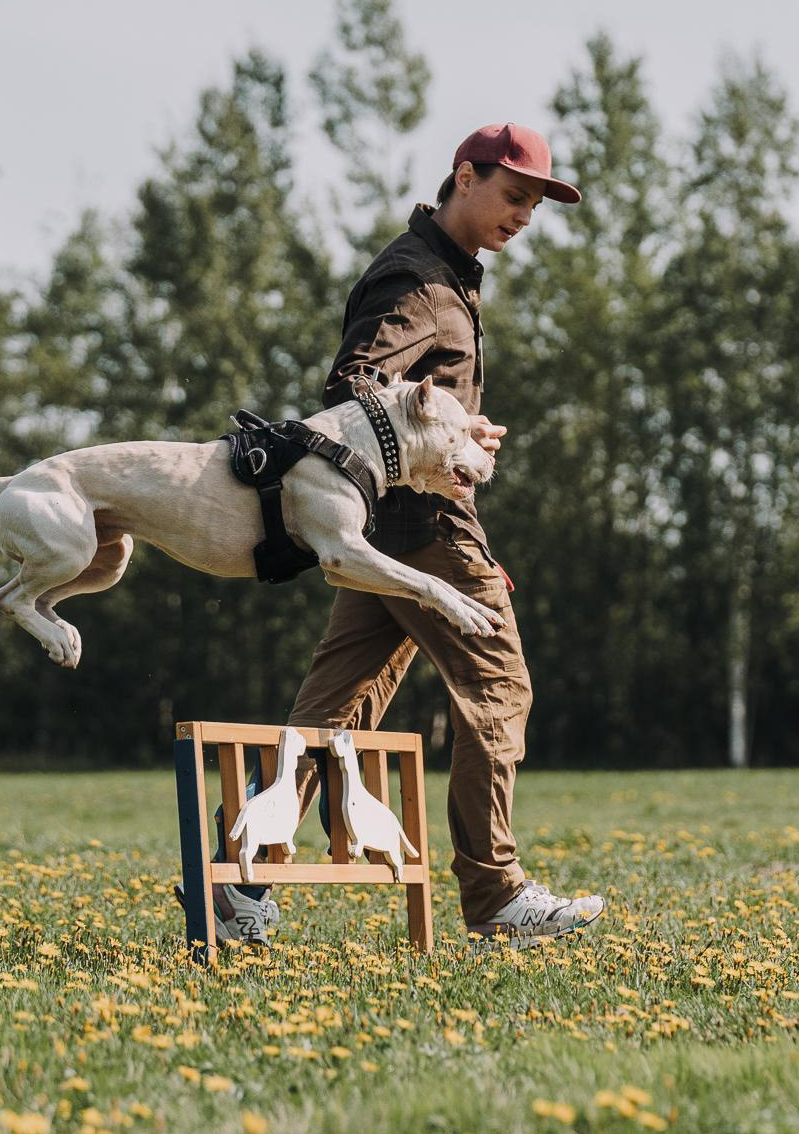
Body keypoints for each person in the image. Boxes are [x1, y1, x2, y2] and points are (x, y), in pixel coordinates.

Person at [213, 123, 608, 950]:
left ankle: (240, 878)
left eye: (535, 205)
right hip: (424, 525)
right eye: (513, 197)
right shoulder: (418, 280)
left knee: (333, 712)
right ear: (465, 176)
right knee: (500, 689)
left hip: (394, 529)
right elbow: (355, 383)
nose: (524, 217)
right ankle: (496, 892)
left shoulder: (448, 279)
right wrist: (446, 430)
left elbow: (400, 397)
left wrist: (457, 427)